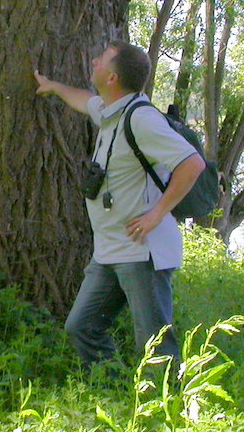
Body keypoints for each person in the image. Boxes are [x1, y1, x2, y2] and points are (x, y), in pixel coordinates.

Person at [34, 42, 206, 376]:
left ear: (111, 77)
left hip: (142, 252)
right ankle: (111, 392)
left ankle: (164, 412)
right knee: (81, 326)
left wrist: (157, 214)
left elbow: (192, 163)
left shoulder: (141, 119)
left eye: (102, 59)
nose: (94, 59)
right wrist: (54, 87)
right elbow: (86, 102)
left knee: (155, 344)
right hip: (110, 250)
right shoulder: (114, 110)